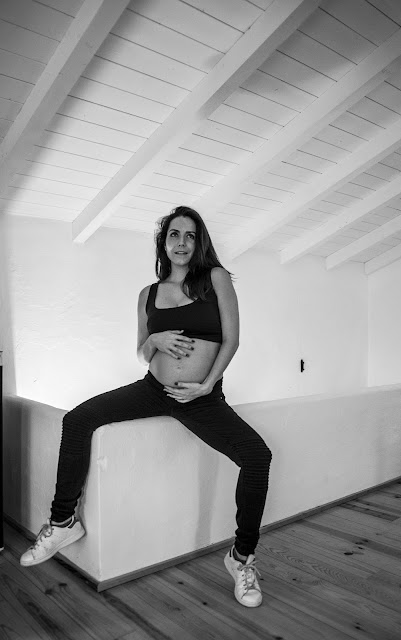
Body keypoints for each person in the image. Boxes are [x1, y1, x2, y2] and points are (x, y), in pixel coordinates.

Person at [20, 206, 272, 608]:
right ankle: (63, 522)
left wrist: (208, 384)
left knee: (257, 456)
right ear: (163, 242)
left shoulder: (215, 279)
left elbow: (232, 339)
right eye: (174, 234)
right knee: (78, 419)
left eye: (190, 235)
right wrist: (154, 341)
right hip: (152, 390)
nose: (182, 243)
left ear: (199, 242)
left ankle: (241, 558)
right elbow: (141, 352)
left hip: (200, 398)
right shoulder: (148, 294)